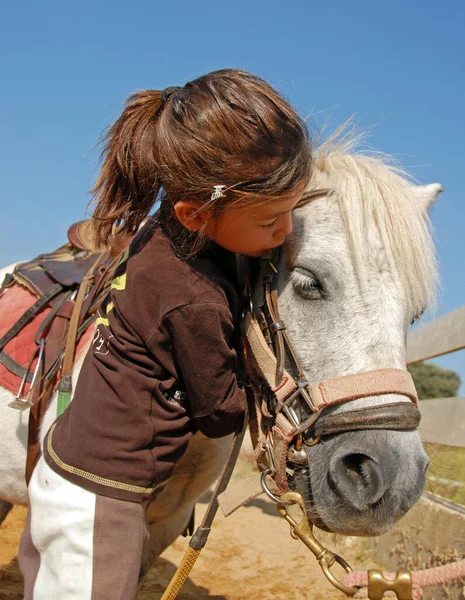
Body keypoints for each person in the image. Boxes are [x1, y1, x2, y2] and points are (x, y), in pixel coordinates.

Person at [19, 68, 312, 599]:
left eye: (292, 211)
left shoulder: (161, 234)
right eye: (270, 221)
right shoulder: (194, 300)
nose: (286, 232)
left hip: (68, 470)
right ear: (195, 214)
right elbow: (220, 412)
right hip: (104, 495)